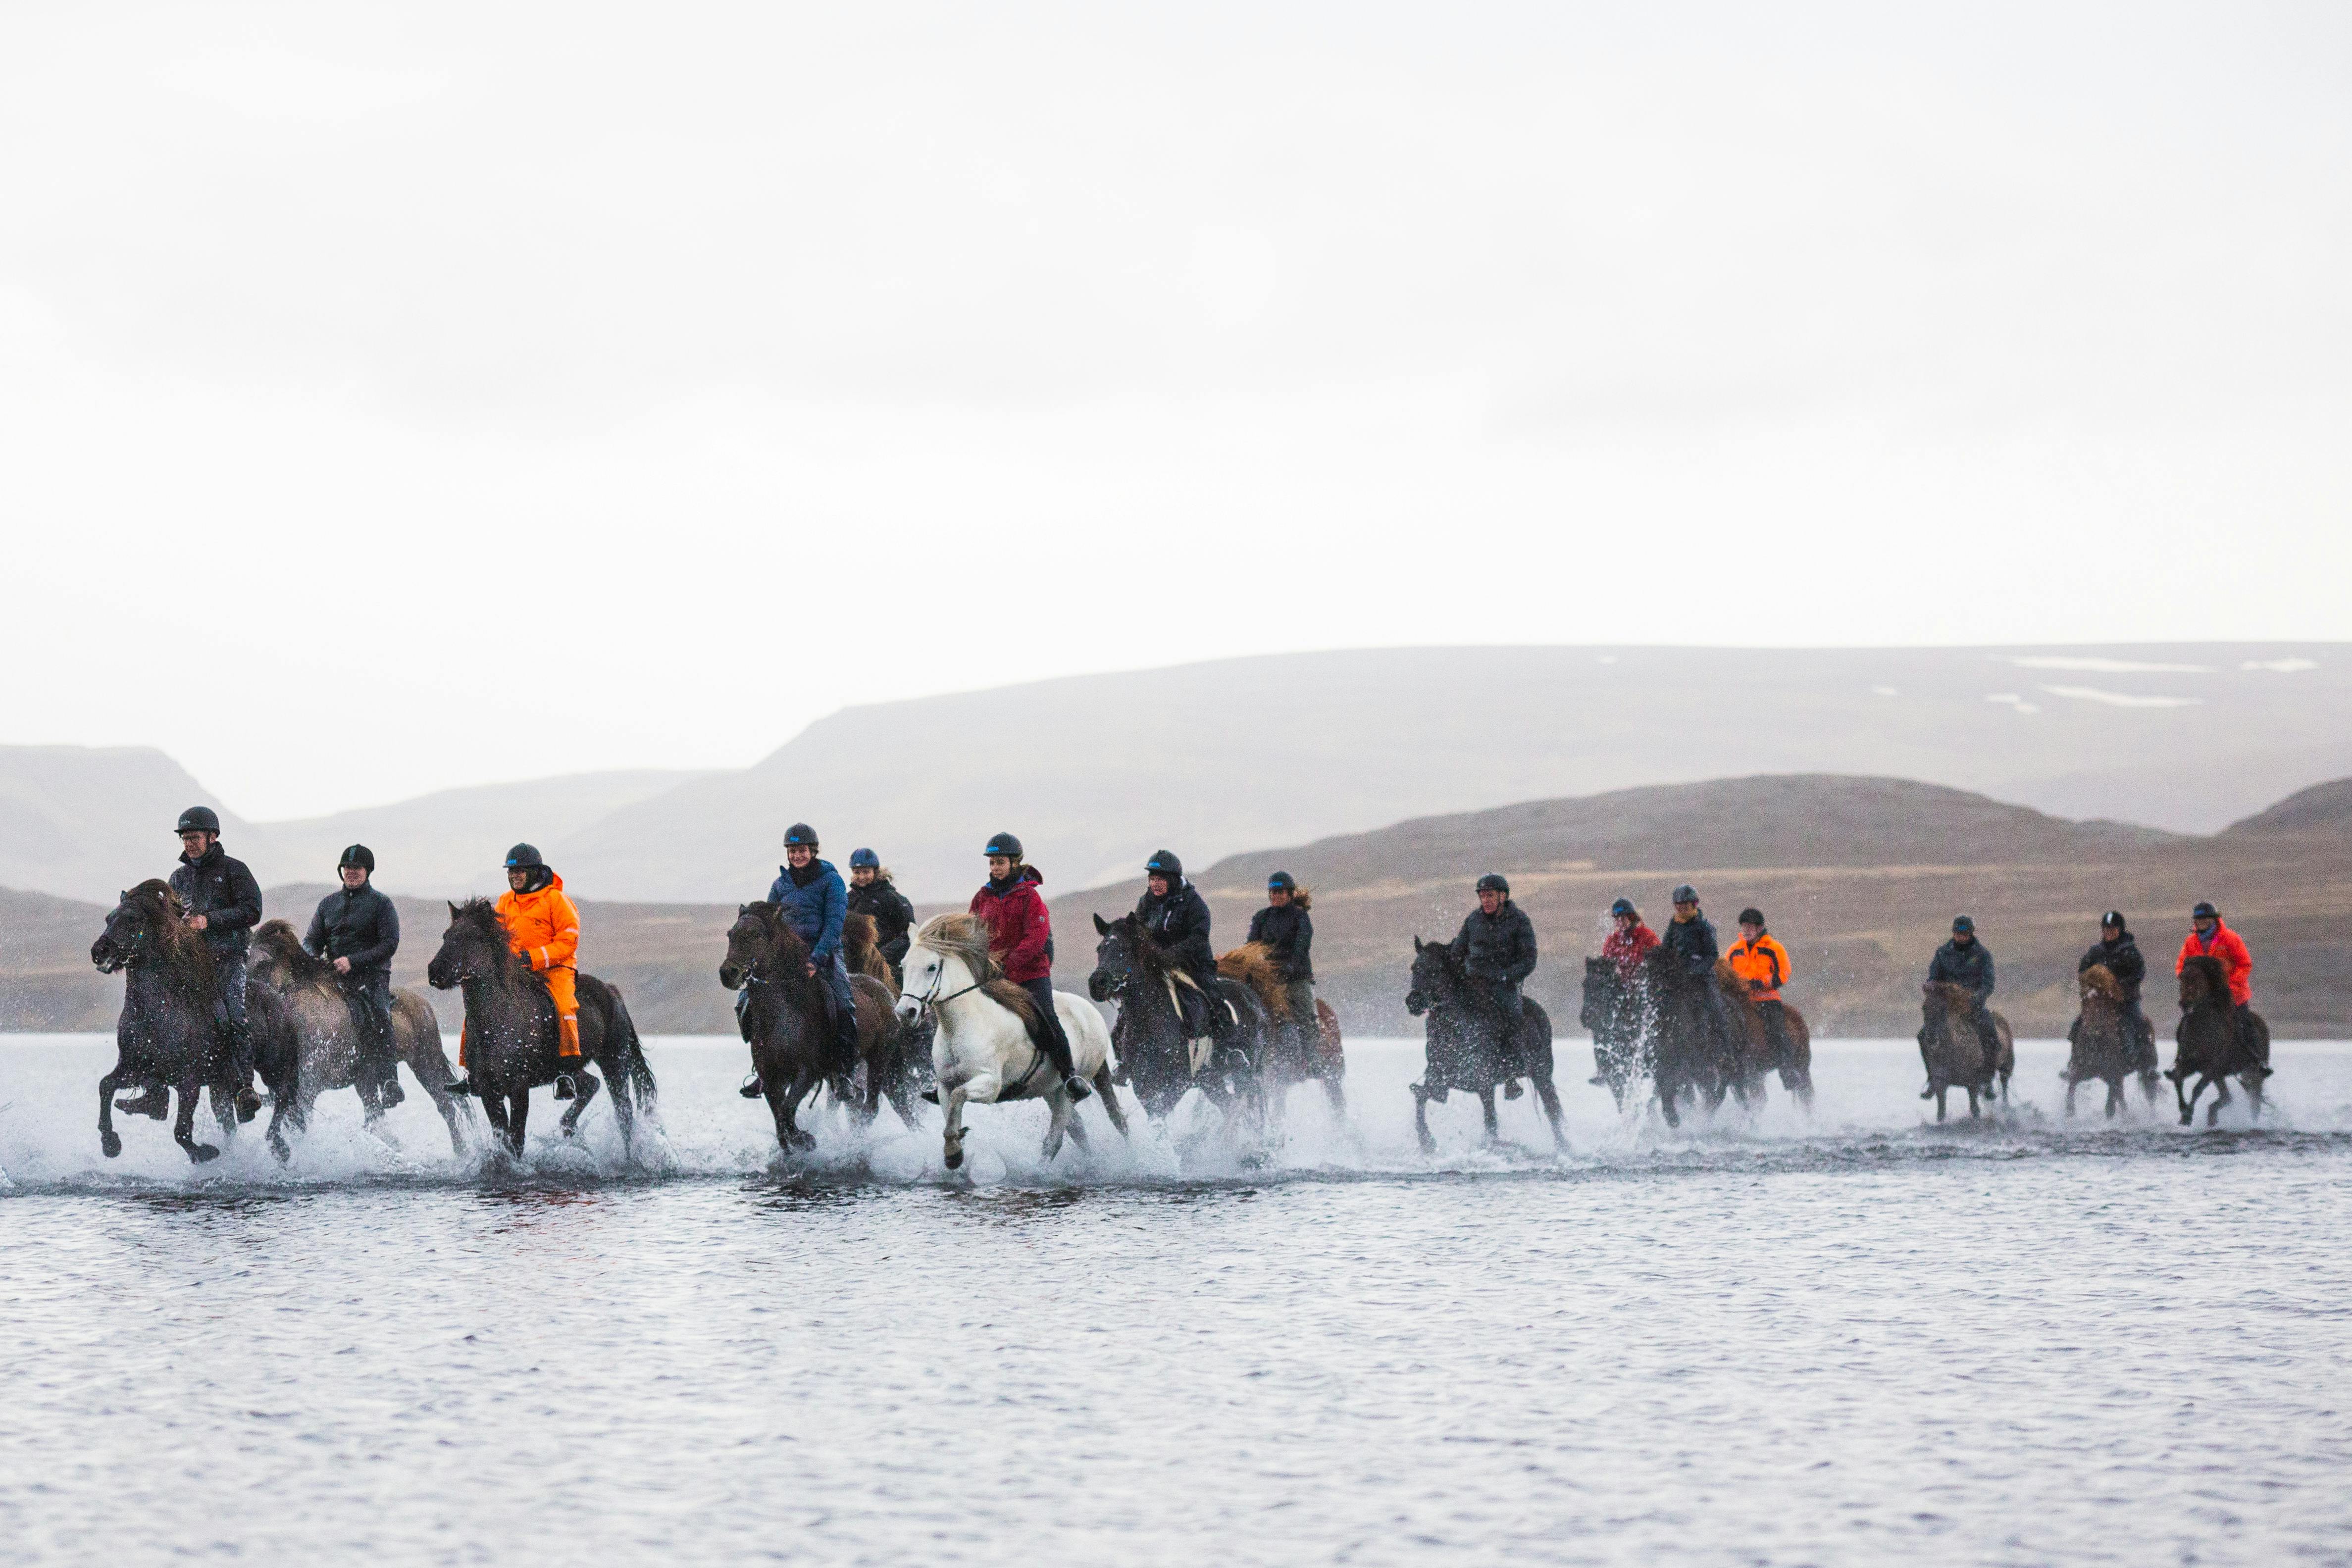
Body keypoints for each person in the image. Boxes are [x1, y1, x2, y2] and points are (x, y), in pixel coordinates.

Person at [449, 843, 594, 1102]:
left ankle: (567, 1072)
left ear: (535, 873)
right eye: (511, 872)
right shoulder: (505, 901)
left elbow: (568, 941)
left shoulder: (557, 900)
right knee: (477, 1010)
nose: (515, 877)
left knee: (563, 1009)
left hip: (555, 970)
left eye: (521, 872)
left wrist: (535, 957)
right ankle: (472, 1072)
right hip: (516, 971)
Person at [968, 832, 1088, 1101]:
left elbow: (1036, 937)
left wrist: (1008, 965)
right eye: (992, 863)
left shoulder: (1030, 897)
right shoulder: (982, 897)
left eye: (1000, 862)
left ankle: (1069, 1076)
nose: (995, 868)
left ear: (1014, 863)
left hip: (1030, 973)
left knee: (1047, 1016)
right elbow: (973, 932)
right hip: (993, 974)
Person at [166, 806, 265, 1122]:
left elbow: (253, 910)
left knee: (235, 1015)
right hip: (191, 964)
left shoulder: (235, 870)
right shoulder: (178, 878)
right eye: (184, 838)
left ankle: (245, 1088)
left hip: (229, 960)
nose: (189, 844)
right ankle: (154, 1089)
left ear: (213, 836)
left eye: (194, 837)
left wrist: (209, 920)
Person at [303, 844, 404, 1107]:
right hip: (334, 976)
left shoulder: (382, 904)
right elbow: (312, 940)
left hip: (372, 976)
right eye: (347, 868)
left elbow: (389, 944)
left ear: (367, 871)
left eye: (357, 868)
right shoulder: (328, 905)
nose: (351, 873)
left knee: (380, 1012)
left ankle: (390, 1080)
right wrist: (307, 955)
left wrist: (354, 962)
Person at [1454, 873, 1536, 1091]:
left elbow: (1529, 959)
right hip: (1475, 982)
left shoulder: (1520, 920)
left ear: (1503, 896)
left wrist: (1507, 976)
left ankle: (1511, 1072)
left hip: (1504, 984)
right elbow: (1457, 952)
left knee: (1513, 1016)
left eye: (1490, 895)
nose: (1486, 900)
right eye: (1482, 896)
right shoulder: (1472, 920)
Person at [1135, 850, 1224, 1042]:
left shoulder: (1194, 903)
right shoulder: (1145, 903)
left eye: (1160, 879)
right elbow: (1139, 933)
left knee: (1214, 998)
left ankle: (1231, 1046)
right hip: (1157, 966)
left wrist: (1170, 955)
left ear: (1173, 879)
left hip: (1194, 965)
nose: (1154, 884)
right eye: (1152, 878)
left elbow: (1199, 938)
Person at [2176, 900, 2264, 1067]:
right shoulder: (2190, 942)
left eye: (2206, 920)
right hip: (2203, 997)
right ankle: (2181, 1061)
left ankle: (2258, 1060)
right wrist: (2187, 981)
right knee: (2186, 1024)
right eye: (2199, 920)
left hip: (2233, 995)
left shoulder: (2231, 939)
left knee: (2244, 1023)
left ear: (2214, 920)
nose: (2202, 924)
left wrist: (2229, 985)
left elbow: (2245, 965)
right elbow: (2181, 965)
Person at [1921, 914, 1999, 1098]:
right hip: (1946, 1008)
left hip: (1973, 1007)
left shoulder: (1983, 955)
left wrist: (1976, 999)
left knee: (1991, 1035)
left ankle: (1987, 1080)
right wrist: (1931, 984)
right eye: (1958, 934)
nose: (1961, 938)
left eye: (1965, 935)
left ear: (1972, 934)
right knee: (1923, 1035)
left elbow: (1989, 984)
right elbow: (1934, 976)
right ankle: (1932, 1078)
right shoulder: (1942, 953)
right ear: (1954, 933)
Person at [1589, 897, 1659, 1085]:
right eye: (1617, 919)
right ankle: (1604, 1066)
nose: (1620, 923)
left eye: (1623, 919)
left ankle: (1653, 1060)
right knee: (1601, 1021)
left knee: (1651, 1020)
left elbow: (1658, 961)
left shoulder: (1647, 936)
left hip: (1643, 990)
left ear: (1632, 918)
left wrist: (1643, 973)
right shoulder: (1612, 941)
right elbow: (1606, 967)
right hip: (1620, 993)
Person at [2074, 910, 2153, 1072]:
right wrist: (2092, 981)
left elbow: (2140, 973)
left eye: (2113, 929)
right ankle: (2074, 1062)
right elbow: (2083, 970)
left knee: (2139, 1024)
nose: (2109, 932)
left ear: (2121, 930)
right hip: (2101, 1002)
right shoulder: (2095, 951)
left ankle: (2147, 1065)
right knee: (2078, 1024)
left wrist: (2119, 984)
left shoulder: (2131, 951)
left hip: (2127, 1000)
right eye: (2106, 929)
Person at [1247, 871, 1316, 1059]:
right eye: (1273, 892)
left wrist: (1290, 968)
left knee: (1305, 1018)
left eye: (1280, 892)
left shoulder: (1300, 917)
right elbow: (1251, 947)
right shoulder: (1261, 917)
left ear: (1290, 894)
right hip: (1268, 978)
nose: (1276, 896)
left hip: (1296, 978)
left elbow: (1302, 947)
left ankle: (1313, 1061)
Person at [1660, 884, 1734, 1056]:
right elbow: (1665, 950)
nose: (1681, 909)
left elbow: (1712, 955)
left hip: (1703, 977)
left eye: (1685, 906)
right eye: (1678, 906)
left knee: (1717, 1007)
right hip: (1678, 977)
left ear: (1694, 905)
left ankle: (1727, 1051)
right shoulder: (1673, 926)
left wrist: (1696, 971)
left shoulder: (1705, 927)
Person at [1725, 908, 1796, 1072]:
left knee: (1778, 1032)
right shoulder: (1734, 950)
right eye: (1744, 927)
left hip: (1767, 1000)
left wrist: (1762, 983)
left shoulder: (1774, 948)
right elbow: (1726, 973)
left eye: (1750, 927)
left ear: (1759, 928)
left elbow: (1783, 973)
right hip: (1741, 1001)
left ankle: (1789, 1072)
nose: (1746, 930)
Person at [845, 848, 917, 980]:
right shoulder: (847, 900)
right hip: (853, 966)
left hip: (887, 968)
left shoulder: (892, 899)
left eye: (866, 872)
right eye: (857, 872)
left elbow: (909, 934)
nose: (861, 877)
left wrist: (880, 956)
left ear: (875, 871)